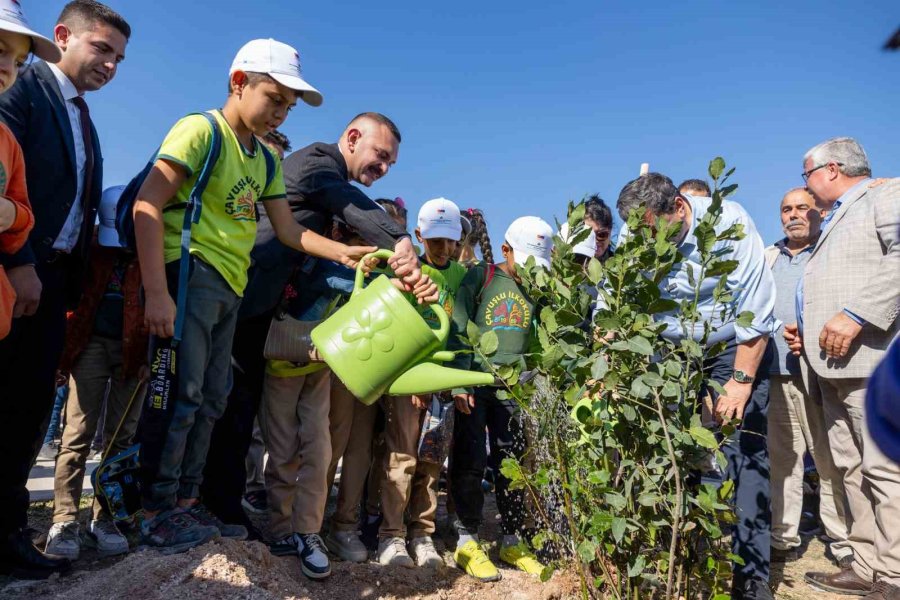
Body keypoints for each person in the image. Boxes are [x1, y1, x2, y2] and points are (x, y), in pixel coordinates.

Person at [132, 38, 375, 555]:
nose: (280, 113)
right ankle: (153, 509)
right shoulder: (201, 131)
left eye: (289, 105)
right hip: (189, 272)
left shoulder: (264, 160)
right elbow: (147, 204)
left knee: (213, 398)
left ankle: (186, 502)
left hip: (231, 287)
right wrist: (156, 291)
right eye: (274, 98)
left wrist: (344, 253)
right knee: (182, 394)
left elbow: (290, 232)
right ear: (239, 82)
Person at [200, 113, 435, 538]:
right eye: (380, 156)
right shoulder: (318, 164)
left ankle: (221, 508)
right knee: (221, 410)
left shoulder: (327, 181)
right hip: (236, 300)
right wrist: (401, 241)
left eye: (390, 164)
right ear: (351, 137)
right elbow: (355, 205)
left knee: (236, 413)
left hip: (260, 314)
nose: (383, 169)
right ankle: (201, 507)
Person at [0, 0, 125, 579]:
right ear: (62, 36)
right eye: (102, 49)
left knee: (25, 412)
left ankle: (7, 533)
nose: (111, 65)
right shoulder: (23, 86)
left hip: (51, 284)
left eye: (120, 58)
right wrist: (20, 259)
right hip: (14, 269)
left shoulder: (85, 119)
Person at [616, 173, 778, 600]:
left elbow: (756, 313)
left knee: (742, 456)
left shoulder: (729, 224)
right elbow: (614, 294)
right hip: (673, 354)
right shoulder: (640, 235)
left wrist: (740, 384)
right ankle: (689, 563)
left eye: (654, 232)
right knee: (677, 453)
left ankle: (751, 581)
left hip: (733, 346)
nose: (648, 244)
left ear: (681, 208)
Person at [786, 138, 900, 598]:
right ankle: (868, 563)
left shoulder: (885, 195)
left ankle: (895, 573)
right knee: (851, 468)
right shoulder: (837, 217)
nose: (806, 187)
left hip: (870, 364)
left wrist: (855, 315)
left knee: (885, 469)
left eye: (806, 175)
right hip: (832, 368)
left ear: (831, 170)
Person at [45, 186, 148, 560]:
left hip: (134, 351)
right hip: (90, 346)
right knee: (77, 434)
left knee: (122, 439)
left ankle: (106, 517)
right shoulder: (91, 249)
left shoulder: (154, 250)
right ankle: (65, 518)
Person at [448, 216, 553, 582]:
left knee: (513, 463)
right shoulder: (481, 276)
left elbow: (544, 334)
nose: (531, 272)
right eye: (524, 262)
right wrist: (460, 381)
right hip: (476, 384)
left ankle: (511, 539)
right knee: (470, 459)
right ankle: (467, 539)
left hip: (515, 387)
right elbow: (459, 327)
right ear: (506, 250)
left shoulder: (540, 287)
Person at [376, 198, 468, 569]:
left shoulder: (461, 277)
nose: (444, 249)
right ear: (418, 236)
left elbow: (462, 331)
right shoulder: (409, 274)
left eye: (450, 241)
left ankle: (422, 534)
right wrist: (413, 379)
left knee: (432, 462)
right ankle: (391, 536)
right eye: (435, 241)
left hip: (444, 382)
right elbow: (399, 327)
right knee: (402, 457)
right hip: (410, 379)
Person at [764, 188, 849, 565]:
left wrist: (812, 334)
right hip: (775, 374)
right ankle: (783, 539)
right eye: (786, 209)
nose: (793, 215)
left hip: (818, 374)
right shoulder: (767, 257)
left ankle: (843, 542)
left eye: (802, 207)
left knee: (829, 460)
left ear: (818, 213)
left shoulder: (829, 254)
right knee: (783, 462)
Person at [242, 129, 292, 517]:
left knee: (258, 420)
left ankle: (253, 486)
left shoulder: (282, 217)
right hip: (234, 313)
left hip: (270, 325)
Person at [583, 195, 614, 261]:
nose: (595, 241)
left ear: (610, 232)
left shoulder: (620, 267)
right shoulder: (567, 264)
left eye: (601, 234)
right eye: (588, 235)